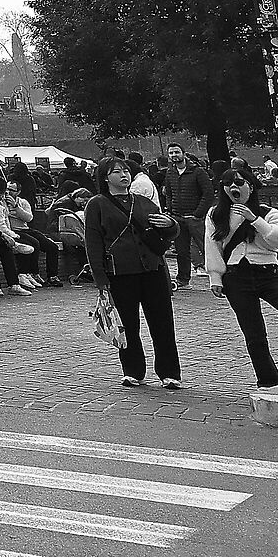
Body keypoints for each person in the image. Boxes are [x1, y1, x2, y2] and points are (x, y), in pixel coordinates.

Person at [203, 175, 278, 388]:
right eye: (228, 184)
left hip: (268, 273)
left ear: (250, 187)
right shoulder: (215, 214)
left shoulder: (269, 213)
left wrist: (254, 219)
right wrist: (215, 277)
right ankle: (268, 380)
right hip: (237, 275)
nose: (233, 187)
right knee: (254, 332)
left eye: (239, 183)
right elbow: (213, 246)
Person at [85, 160, 182, 389]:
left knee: (163, 324)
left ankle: (169, 373)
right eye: (116, 172)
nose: (123, 175)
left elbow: (168, 232)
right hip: (119, 272)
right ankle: (133, 370)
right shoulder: (97, 204)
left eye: (126, 171)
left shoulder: (143, 202)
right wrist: (100, 279)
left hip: (152, 269)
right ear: (105, 178)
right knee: (127, 325)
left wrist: (170, 224)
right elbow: (93, 241)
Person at [160, 144, 213, 287]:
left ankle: (218, 276)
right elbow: (169, 193)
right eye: (171, 153)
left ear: (183, 153)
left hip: (195, 218)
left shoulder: (198, 172)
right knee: (181, 251)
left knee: (207, 247)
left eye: (176, 152)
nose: (173, 155)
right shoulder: (170, 172)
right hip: (177, 217)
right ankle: (183, 279)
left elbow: (208, 193)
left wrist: (198, 214)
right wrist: (170, 210)